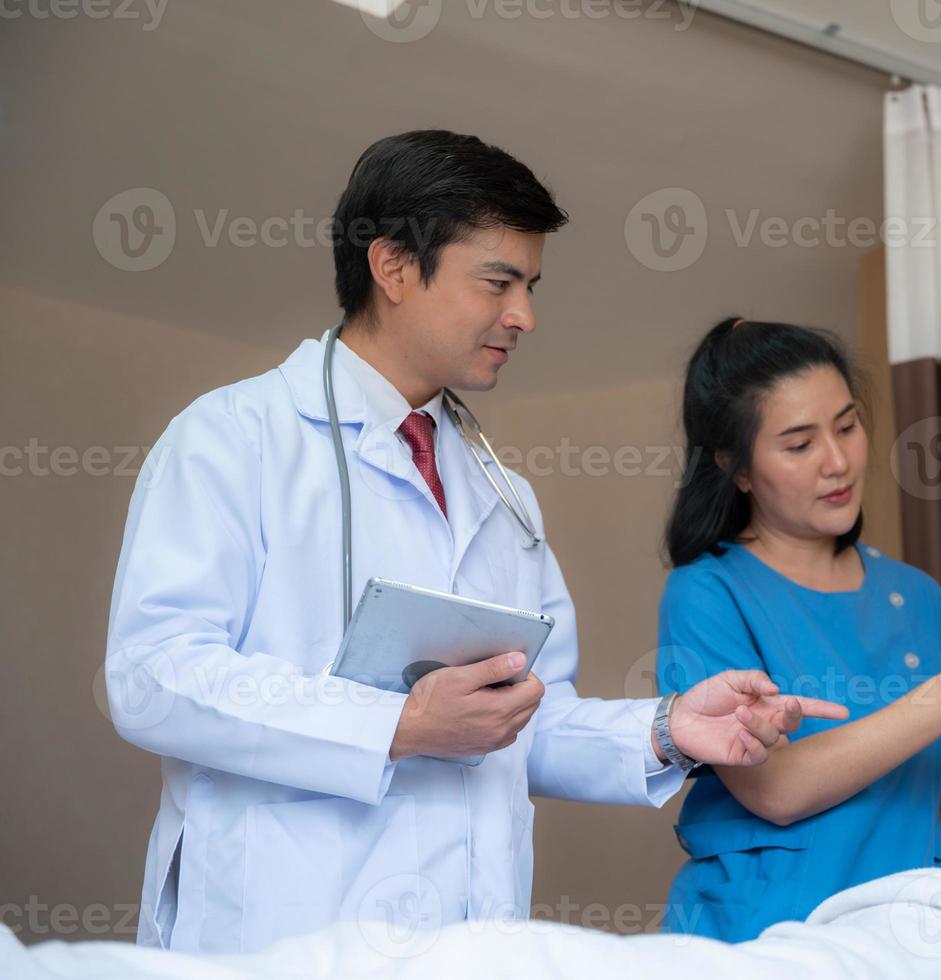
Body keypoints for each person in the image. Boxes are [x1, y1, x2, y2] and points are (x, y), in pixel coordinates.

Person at [103, 132, 844, 955]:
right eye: (498, 282)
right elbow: (152, 676)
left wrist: (669, 730)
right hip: (282, 929)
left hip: (468, 942)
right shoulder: (232, 438)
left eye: (528, 285)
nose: (523, 316)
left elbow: (526, 720)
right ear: (392, 266)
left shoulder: (499, 491)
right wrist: (397, 726)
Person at [655, 317, 941, 941]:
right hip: (765, 935)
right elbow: (775, 789)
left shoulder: (916, 597)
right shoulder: (708, 593)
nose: (838, 461)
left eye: (848, 426)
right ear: (737, 468)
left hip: (909, 939)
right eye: (800, 445)